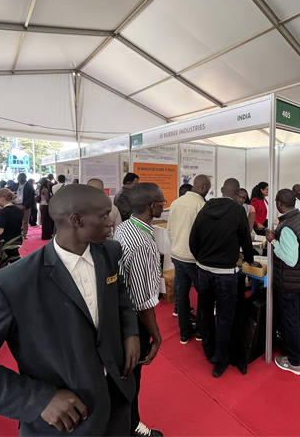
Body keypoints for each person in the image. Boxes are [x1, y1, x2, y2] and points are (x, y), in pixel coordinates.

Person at [0, 184, 140, 436]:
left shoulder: (109, 251)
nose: (111, 222)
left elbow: (119, 292)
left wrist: (130, 331)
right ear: (77, 220)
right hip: (68, 420)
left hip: (118, 399)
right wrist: (38, 399)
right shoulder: (13, 283)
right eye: (104, 215)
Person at [189, 178, 260, 378]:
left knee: (204, 311)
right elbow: (245, 239)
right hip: (226, 274)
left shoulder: (205, 207)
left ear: (221, 190)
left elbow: (193, 239)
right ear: (237, 194)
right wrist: (250, 259)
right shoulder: (238, 211)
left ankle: (208, 349)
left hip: (204, 270)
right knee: (224, 317)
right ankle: (220, 360)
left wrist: (202, 259)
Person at [114, 183, 164, 437]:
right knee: (133, 377)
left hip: (119, 313)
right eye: (162, 202)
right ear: (153, 206)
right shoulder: (144, 243)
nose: (164, 205)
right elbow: (144, 302)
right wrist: (156, 336)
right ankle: (132, 427)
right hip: (133, 321)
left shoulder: (125, 227)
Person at [265, 189, 300, 376]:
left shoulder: (287, 226)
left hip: (291, 281)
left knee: (291, 319)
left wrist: (274, 241)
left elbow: (290, 259)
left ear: (279, 203)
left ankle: (294, 361)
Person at [167, 175, 211, 344]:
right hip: (194, 259)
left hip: (177, 255)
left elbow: (169, 230)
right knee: (203, 294)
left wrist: (177, 245)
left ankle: (184, 333)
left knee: (182, 294)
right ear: (203, 187)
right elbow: (205, 235)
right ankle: (200, 331)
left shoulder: (176, 203)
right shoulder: (202, 206)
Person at [0, 188, 24, 266]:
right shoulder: (18, 210)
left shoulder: (2, 212)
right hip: (17, 238)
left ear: (2, 199)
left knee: (7, 261)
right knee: (13, 259)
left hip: (6, 241)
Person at [9, 172, 35, 239]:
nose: (18, 179)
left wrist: (25, 206)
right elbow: (11, 194)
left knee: (25, 220)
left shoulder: (29, 186)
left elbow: (31, 197)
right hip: (15, 204)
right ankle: (16, 233)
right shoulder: (15, 185)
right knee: (15, 220)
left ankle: (24, 234)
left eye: (20, 178)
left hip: (25, 206)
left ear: (24, 178)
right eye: (18, 178)